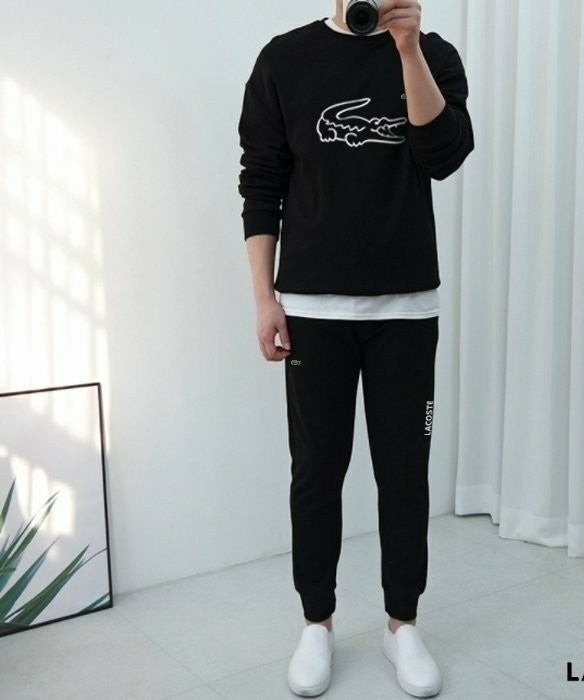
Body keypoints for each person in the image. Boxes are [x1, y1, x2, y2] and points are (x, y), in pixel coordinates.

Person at [237, 0, 474, 695]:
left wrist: (408, 49)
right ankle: (317, 623)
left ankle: (403, 625)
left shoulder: (433, 54)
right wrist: (264, 297)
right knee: (316, 472)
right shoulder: (284, 59)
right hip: (313, 310)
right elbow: (261, 180)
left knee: (404, 473)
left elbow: (444, 156)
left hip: (406, 308)